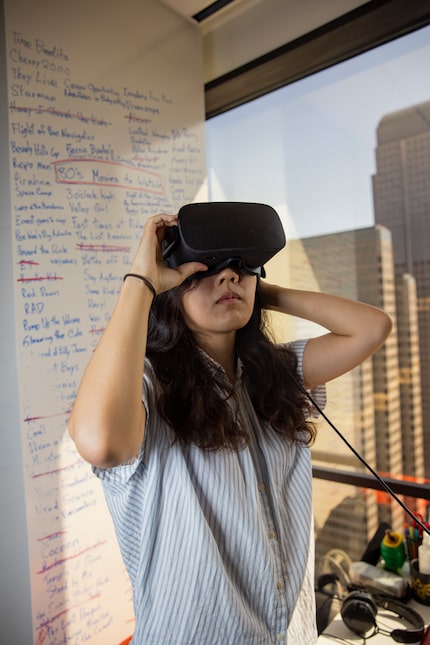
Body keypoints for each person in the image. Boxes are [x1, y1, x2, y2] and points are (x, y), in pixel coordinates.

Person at [68, 210, 392, 644]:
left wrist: (263, 289)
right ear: (170, 282)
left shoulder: (277, 374)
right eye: (208, 267)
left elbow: (371, 328)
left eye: (241, 267)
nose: (229, 278)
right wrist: (141, 282)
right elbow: (100, 441)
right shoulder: (146, 389)